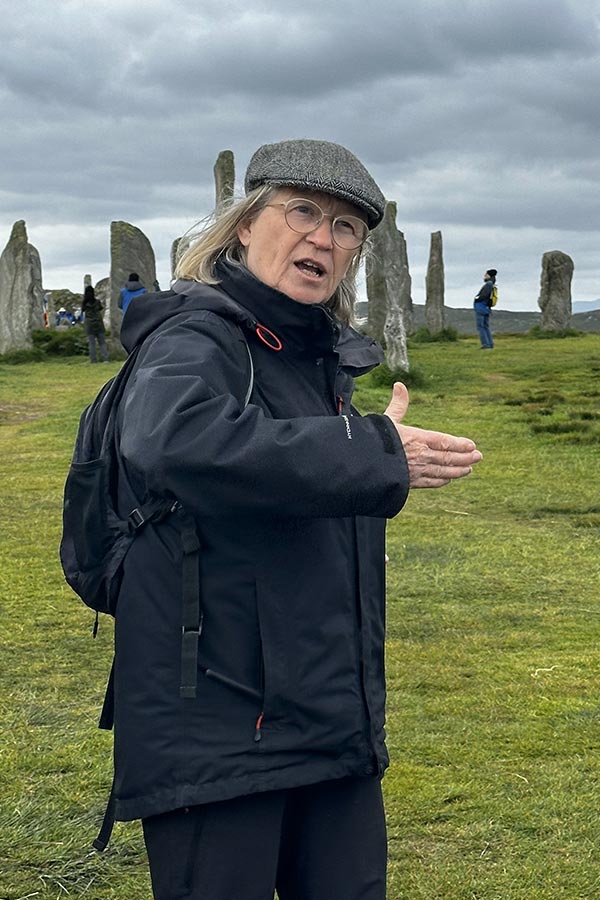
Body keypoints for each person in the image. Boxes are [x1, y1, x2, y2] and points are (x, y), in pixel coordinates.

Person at [109, 139, 482, 900]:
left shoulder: (317, 360)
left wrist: (363, 446)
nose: (323, 238)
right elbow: (169, 440)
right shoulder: (194, 335)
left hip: (327, 723)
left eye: (347, 228)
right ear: (244, 225)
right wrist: (374, 453)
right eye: (303, 211)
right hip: (218, 731)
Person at [81, 285, 109, 362]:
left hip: (89, 324)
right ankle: (105, 359)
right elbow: (100, 308)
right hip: (98, 323)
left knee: (91, 343)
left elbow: (83, 310)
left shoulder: (84, 303)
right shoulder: (97, 302)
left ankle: (93, 360)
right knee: (102, 342)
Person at [473, 268, 497, 349]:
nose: (484, 276)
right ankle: (490, 344)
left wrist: (476, 298)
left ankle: (485, 344)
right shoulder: (493, 284)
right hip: (486, 308)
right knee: (486, 326)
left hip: (481, 307)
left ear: (489, 275)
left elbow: (484, 295)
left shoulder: (488, 284)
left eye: (486, 275)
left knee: (481, 327)